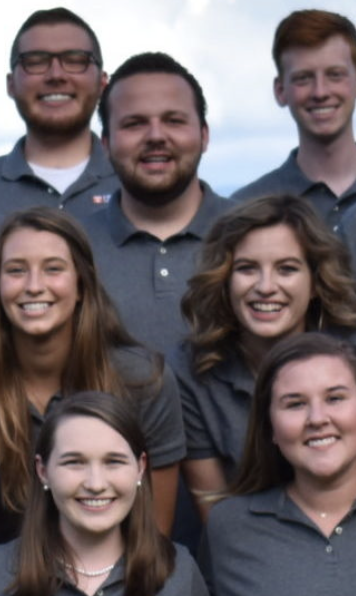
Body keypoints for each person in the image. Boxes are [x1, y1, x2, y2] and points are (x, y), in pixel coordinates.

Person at [0, 208, 185, 596]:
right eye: (16, 270)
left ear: (82, 285)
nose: (33, 286)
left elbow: (152, 533)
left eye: (53, 269)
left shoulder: (144, 380)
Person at [174, 195, 356, 516]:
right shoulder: (192, 371)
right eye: (247, 269)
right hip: (253, 551)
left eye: (286, 269)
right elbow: (217, 517)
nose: (266, 287)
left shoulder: (350, 354)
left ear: (314, 282)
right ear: (224, 280)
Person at [0, 392, 206, 596]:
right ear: (43, 471)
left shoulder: (179, 572)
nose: (96, 484)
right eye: (74, 462)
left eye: (114, 461)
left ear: (140, 468)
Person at [84, 51, 234, 355]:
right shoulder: (70, 249)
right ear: (106, 145)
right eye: (135, 124)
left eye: (174, 120)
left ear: (204, 136)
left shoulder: (257, 236)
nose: (156, 136)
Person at [201, 332, 356, 596]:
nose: (317, 419)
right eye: (295, 404)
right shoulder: (229, 526)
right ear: (270, 426)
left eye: (335, 398)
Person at [0, 8, 117, 219]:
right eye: (35, 62)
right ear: (11, 84)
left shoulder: (141, 186)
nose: (56, 75)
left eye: (76, 60)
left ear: (103, 83)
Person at [233, 10, 356, 229]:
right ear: (280, 91)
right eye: (303, 78)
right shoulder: (243, 211)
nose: (320, 92)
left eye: (335, 75)